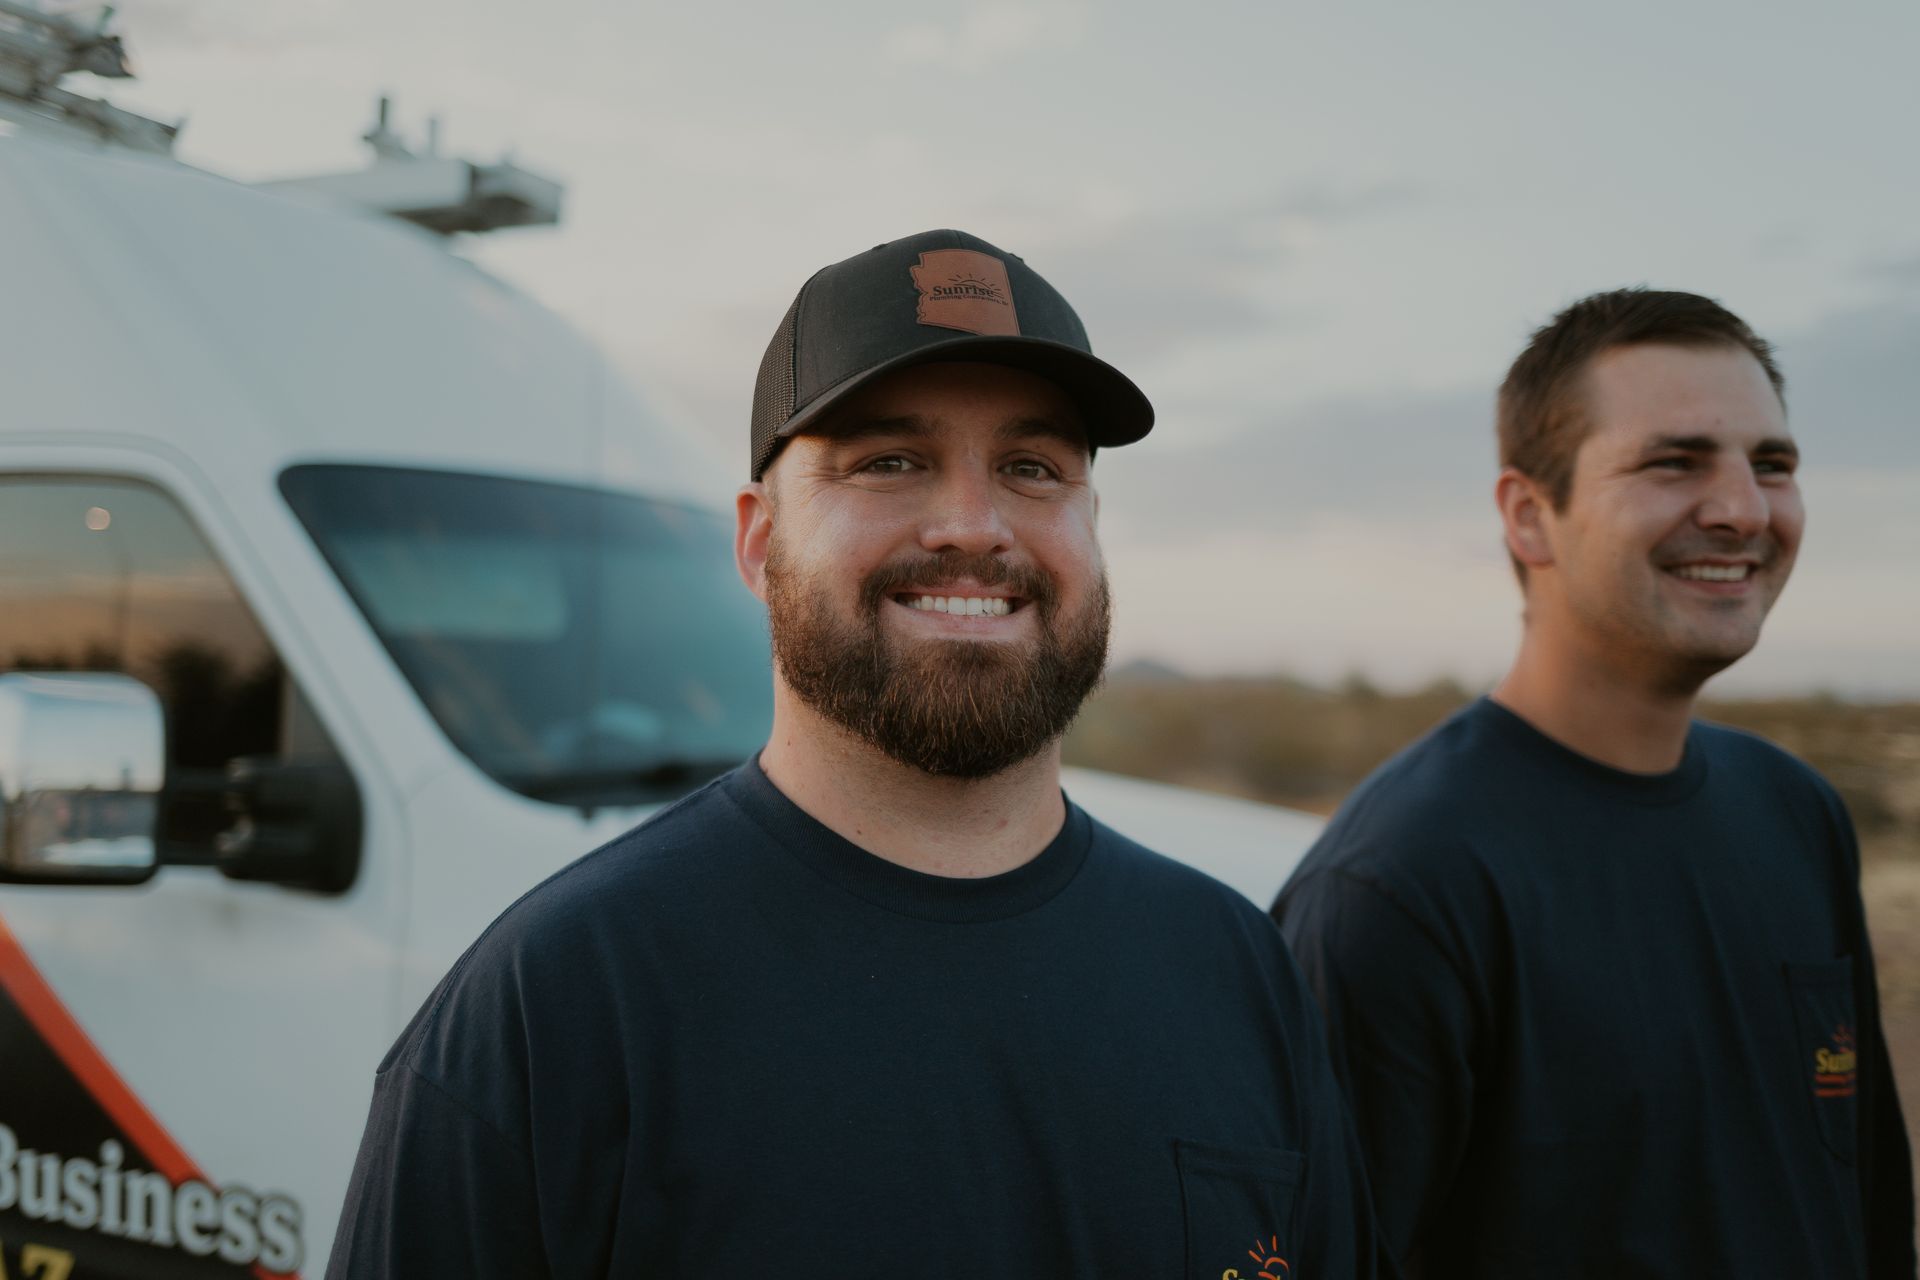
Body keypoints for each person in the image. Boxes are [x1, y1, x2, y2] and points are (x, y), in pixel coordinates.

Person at [327, 229, 1384, 1278]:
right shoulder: (556, 1005)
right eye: (890, 460)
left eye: (1031, 466)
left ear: (1092, 526)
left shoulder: (1236, 971)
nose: (973, 523)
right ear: (757, 539)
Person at [1272, 288, 1915, 1277]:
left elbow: (1866, 1206)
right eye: (1675, 461)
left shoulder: (1796, 810)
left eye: (1772, 463)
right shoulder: (1400, 889)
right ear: (1532, 515)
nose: (1743, 507)